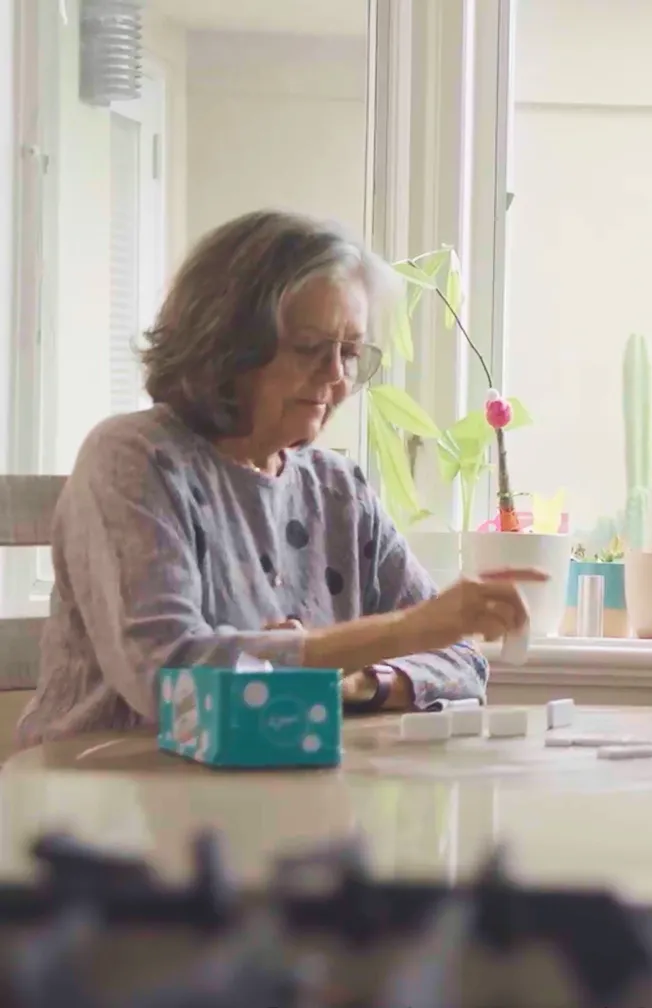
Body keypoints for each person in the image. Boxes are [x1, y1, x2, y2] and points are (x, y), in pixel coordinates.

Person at [17, 209, 546, 746]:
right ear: (225, 344)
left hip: (271, 798)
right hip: (107, 796)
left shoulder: (339, 490)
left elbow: (460, 661)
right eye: (309, 349)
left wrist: (361, 682)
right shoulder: (134, 459)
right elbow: (170, 676)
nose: (336, 376)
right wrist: (394, 634)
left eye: (349, 352)